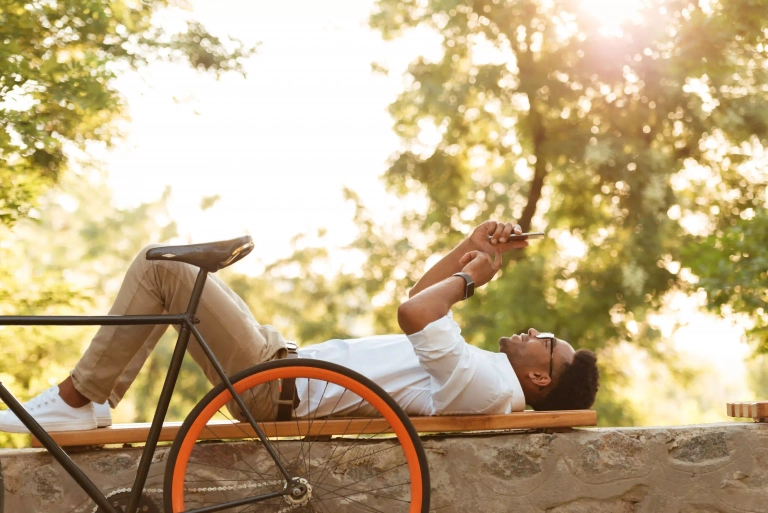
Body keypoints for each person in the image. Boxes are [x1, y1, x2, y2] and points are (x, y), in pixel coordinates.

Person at [0, 220, 599, 432]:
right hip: (277, 366)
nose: (529, 331)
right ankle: (89, 399)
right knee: (168, 272)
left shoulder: (489, 386)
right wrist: (470, 247)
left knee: (165, 269)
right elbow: (422, 300)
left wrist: (472, 280)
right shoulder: (485, 373)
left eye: (542, 340)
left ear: (541, 377)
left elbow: (417, 312)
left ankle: (80, 399)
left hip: (272, 384)